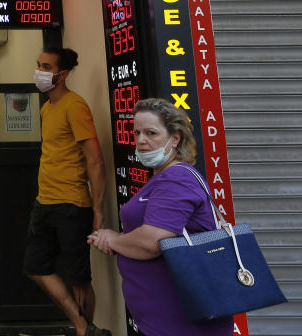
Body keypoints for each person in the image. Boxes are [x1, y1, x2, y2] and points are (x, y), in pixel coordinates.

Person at [87, 98, 232, 336]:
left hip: (183, 321)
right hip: (165, 319)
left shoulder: (176, 179)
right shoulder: (162, 178)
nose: (141, 140)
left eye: (151, 133)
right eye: (137, 133)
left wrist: (113, 239)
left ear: (175, 138)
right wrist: (121, 240)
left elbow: (152, 242)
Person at [24, 47, 109, 336]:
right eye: (39, 65)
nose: (40, 71)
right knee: (36, 267)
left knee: (78, 279)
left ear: (63, 73)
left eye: (46, 66)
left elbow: (95, 159)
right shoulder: (47, 108)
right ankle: (84, 326)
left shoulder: (75, 105)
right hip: (44, 202)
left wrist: (98, 209)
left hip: (72, 205)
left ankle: (82, 330)